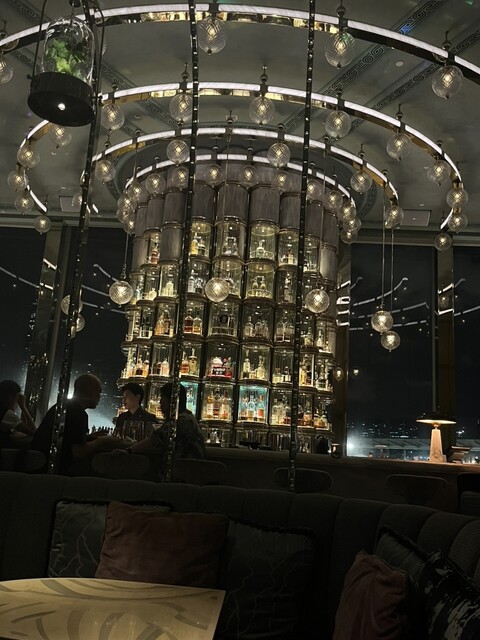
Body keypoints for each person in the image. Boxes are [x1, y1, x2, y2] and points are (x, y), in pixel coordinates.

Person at [31, 373, 127, 475]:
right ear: (89, 391)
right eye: (98, 392)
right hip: (55, 472)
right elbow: (78, 452)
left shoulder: (63, 407)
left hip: (38, 466)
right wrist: (102, 441)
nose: (100, 396)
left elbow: (66, 441)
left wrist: (89, 437)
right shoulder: (78, 413)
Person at [128, 382, 206, 465]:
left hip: (183, 468)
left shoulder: (182, 420)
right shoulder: (188, 417)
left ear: (172, 400)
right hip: (188, 467)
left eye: (163, 397)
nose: (160, 402)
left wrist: (129, 450)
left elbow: (155, 439)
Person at [0, 380, 37, 448]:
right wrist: (23, 407)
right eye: (17, 397)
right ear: (10, 397)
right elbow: (34, 432)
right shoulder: (7, 414)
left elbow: (20, 426)